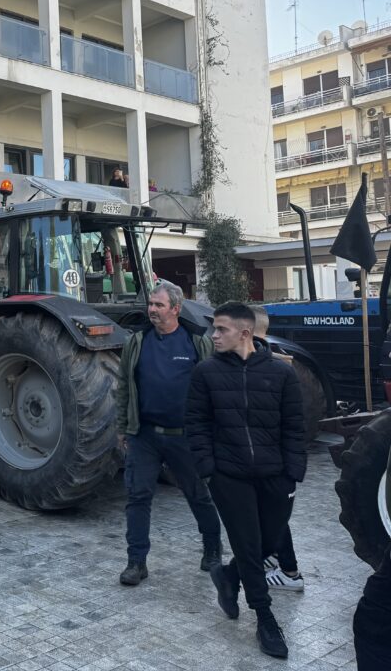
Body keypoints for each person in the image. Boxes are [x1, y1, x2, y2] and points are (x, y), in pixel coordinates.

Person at [186, 302, 306, 659]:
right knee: (249, 547)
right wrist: (210, 470)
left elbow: (295, 428)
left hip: (275, 477)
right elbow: (196, 425)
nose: (213, 335)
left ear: (244, 333)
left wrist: (292, 473)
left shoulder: (281, 374)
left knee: (269, 542)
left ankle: (228, 576)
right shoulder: (205, 373)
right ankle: (265, 618)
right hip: (229, 477)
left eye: (220, 329)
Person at [115, 282, 222, 586]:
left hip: (185, 436)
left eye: (159, 305)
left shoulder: (196, 342)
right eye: (150, 304)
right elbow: (124, 387)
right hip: (144, 435)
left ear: (176, 309)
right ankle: (136, 562)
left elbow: (212, 389)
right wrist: (123, 428)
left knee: (199, 495)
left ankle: (212, 550)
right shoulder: (136, 342)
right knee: (137, 498)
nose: (152, 310)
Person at [250, 305, 305, 592]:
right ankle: (271, 556)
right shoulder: (280, 365)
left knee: (274, 515)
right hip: (272, 460)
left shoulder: (272, 370)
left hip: (272, 462)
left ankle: (290, 572)